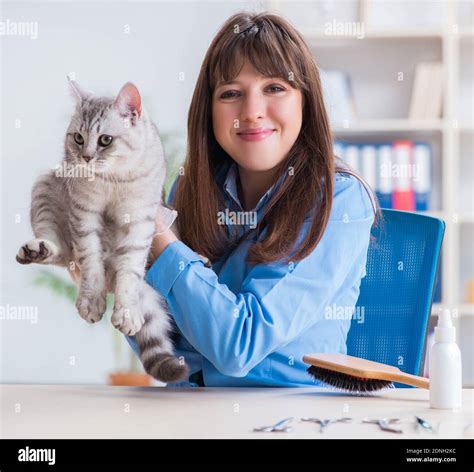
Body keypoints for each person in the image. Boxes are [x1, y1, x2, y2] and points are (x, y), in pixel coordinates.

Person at [74, 11, 381, 387]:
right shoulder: (191, 190)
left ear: (306, 101)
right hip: (196, 409)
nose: (251, 111)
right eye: (231, 94)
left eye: (275, 88)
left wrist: (154, 232)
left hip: (291, 414)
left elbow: (239, 346)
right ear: (210, 113)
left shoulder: (339, 200)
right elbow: (174, 351)